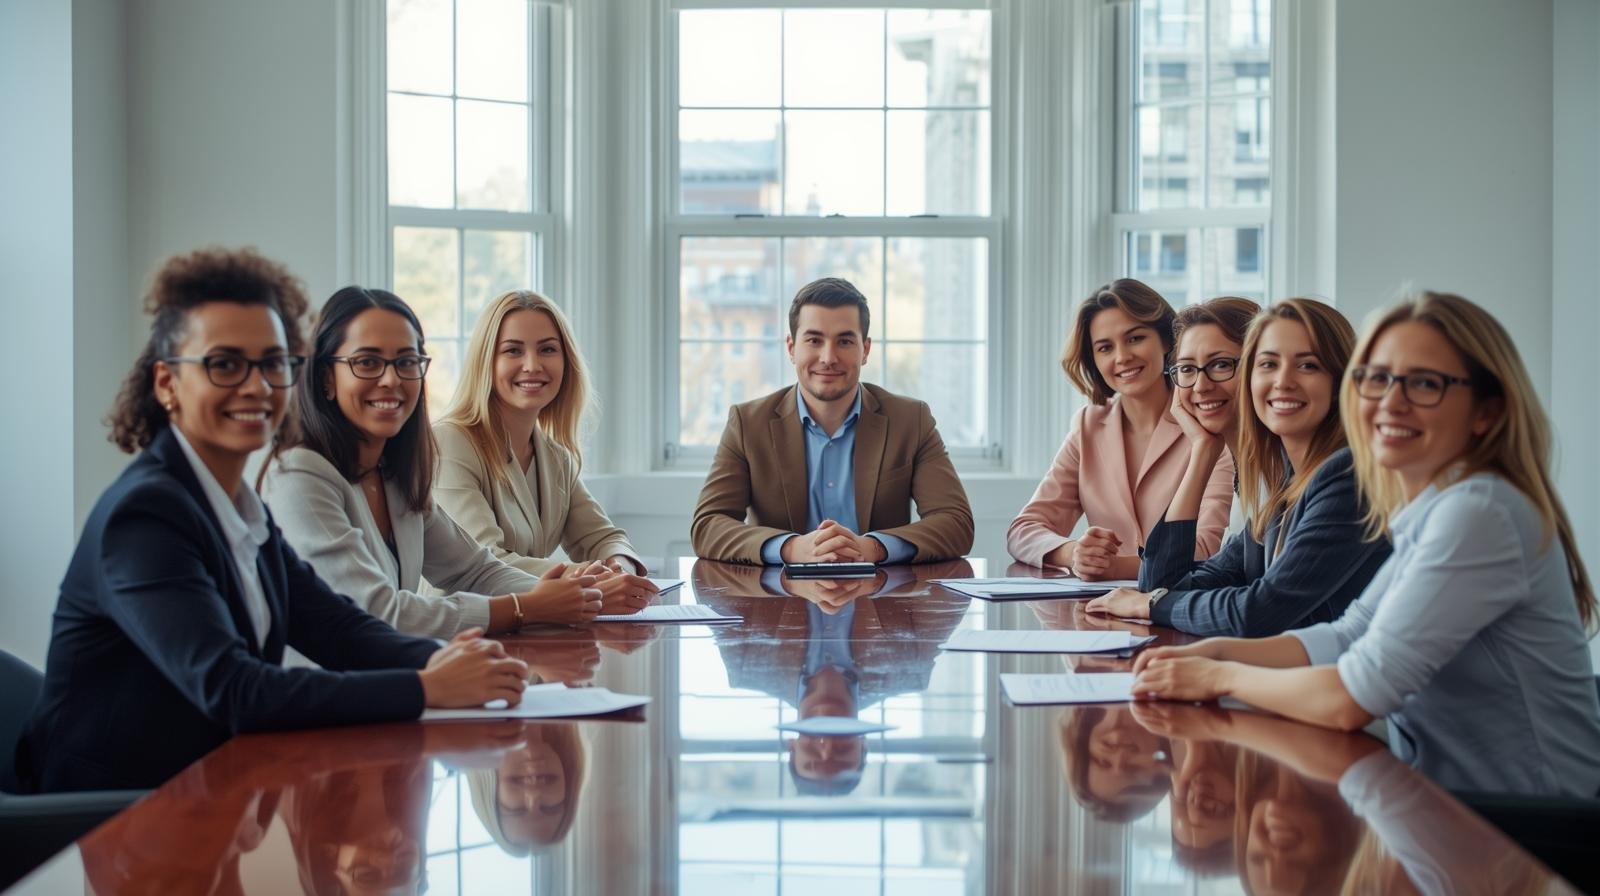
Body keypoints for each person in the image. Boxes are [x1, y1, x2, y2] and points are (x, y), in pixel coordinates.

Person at [15, 248, 529, 793]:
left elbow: (336, 627)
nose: (258, 386)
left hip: (203, 792)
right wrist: (427, 687)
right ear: (166, 383)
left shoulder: (235, 503)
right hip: (106, 820)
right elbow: (235, 689)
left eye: (273, 363)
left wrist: (455, 662)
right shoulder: (144, 516)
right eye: (225, 364)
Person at [1132, 292, 1600, 797]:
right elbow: (1348, 634)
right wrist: (1216, 650)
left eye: (1424, 384)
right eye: (1376, 378)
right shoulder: (1434, 504)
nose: (1389, 402)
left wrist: (1219, 676)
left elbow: (1353, 695)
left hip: (1526, 827)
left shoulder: (1478, 513)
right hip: (1447, 798)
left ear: (1484, 412)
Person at [261, 287, 624, 639]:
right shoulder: (298, 475)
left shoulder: (394, 475)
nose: (391, 380)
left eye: (406, 362)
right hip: (331, 696)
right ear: (327, 377)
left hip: (397, 682)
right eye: (367, 362)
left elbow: (475, 570)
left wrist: (579, 594)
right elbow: (377, 611)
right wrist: (526, 607)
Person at [1088, 299, 1391, 636]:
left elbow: (1260, 611)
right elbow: (1161, 585)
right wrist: (1202, 451)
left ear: (1341, 382)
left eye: (1307, 366)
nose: (1283, 381)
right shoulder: (1285, 487)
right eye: (1269, 365)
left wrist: (1151, 605)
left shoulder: (1348, 476)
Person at [691, 277, 974, 565]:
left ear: (865, 350)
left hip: (881, 601)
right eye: (814, 340)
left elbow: (955, 523)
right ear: (791, 347)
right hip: (778, 601)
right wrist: (790, 548)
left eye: (845, 341)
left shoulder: (911, 421)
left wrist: (874, 548)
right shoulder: (748, 423)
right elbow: (707, 525)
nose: (828, 357)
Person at [1008, 279, 1234, 580]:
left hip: (1183, 603)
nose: (1122, 357)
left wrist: (1116, 568)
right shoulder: (1088, 426)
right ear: (1094, 360)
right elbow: (1024, 530)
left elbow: (1205, 547)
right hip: (1101, 614)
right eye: (1105, 348)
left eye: (1135, 338)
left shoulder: (1208, 424)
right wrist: (1074, 553)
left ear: (1167, 340)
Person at [434, 290, 654, 592]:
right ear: (486, 361)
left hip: (526, 628)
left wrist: (619, 567)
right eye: (513, 351)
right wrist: (591, 577)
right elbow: (482, 563)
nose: (532, 365)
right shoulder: (449, 442)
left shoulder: (554, 457)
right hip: (461, 633)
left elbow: (603, 538)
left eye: (548, 349)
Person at [692, 559, 972, 795]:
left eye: (812, 755)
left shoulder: (748, 667)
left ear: (791, 745)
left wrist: (787, 569)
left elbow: (709, 579)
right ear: (864, 744)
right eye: (841, 755)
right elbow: (957, 581)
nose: (826, 744)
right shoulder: (908, 670)